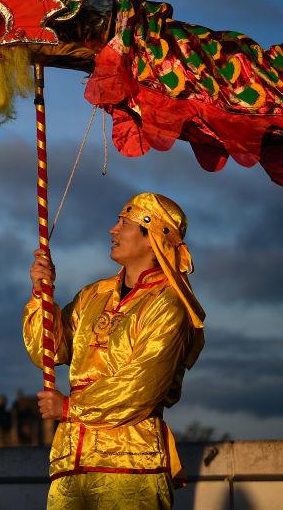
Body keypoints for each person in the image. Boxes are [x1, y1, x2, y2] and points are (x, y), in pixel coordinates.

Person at [23, 193, 205, 509]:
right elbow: (47, 353)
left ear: (154, 237)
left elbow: (141, 388)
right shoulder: (93, 295)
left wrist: (69, 409)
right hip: (73, 461)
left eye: (124, 222)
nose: (113, 230)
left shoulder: (168, 305)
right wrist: (42, 293)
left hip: (131, 464)